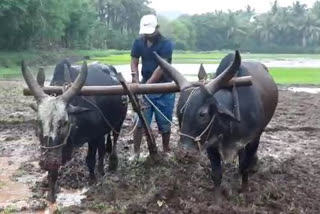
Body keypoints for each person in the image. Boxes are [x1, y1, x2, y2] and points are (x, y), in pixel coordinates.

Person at [130, 14, 175, 157]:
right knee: (140, 122)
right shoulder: (138, 42)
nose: (149, 34)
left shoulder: (166, 44)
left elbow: (161, 68)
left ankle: (166, 150)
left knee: (165, 122)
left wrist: (145, 87)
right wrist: (136, 80)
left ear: (157, 28)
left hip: (165, 87)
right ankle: (136, 152)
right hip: (145, 85)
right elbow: (134, 62)